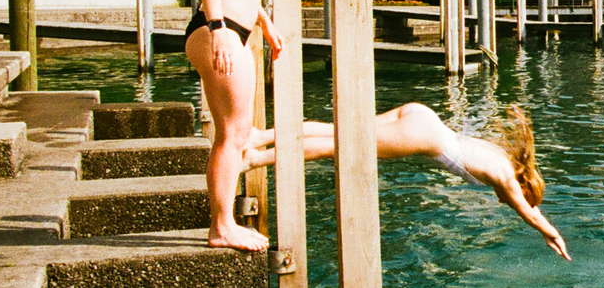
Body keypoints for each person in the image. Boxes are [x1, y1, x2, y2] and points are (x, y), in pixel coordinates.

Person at [241, 103, 572, 260]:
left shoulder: (501, 156)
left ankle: (260, 138)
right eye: (521, 198)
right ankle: (256, 158)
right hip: (423, 134)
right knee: (337, 146)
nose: (507, 201)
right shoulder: (506, 178)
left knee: (337, 129)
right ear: (525, 189)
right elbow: (529, 214)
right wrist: (551, 234)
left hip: (423, 116)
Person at [186, 0, 288, 251]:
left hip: (236, 30)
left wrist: (264, 22)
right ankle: (221, 226)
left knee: (239, 130)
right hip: (218, 30)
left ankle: (225, 221)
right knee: (230, 133)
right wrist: (220, 31)